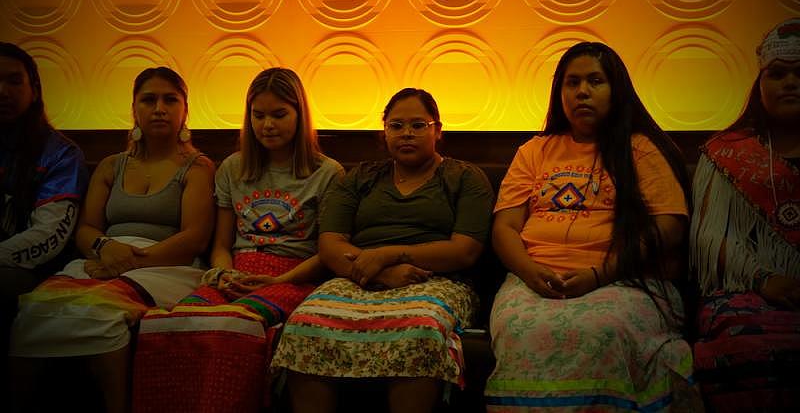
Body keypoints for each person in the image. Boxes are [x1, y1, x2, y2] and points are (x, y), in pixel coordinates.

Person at [485, 41, 701, 411]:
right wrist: (530, 272)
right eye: (572, 83)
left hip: (623, 278)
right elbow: (505, 227)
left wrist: (599, 275)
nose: (582, 91)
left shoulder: (642, 150)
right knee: (523, 329)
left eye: (595, 81)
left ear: (616, 90)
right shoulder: (534, 151)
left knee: (599, 329)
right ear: (560, 92)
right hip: (536, 279)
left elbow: (669, 227)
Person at [131, 68, 344, 413]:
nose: (267, 125)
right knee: (172, 321)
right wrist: (223, 271)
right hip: (237, 271)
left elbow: (326, 252)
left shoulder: (326, 172)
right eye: (258, 116)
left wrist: (278, 280)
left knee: (235, 324)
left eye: (279, 115)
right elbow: (221, 244)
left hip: (294, 274)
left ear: (299, 115)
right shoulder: (233, 167)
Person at [271, 87, 494, 413]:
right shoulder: (361, 177)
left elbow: (464, 251)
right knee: (306, 322)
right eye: (396, 125)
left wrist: (391, 254)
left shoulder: (463, 177)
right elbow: (331, 245)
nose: (407, 133)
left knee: (419, 328)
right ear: (384, 131)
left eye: (419, 125)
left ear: (438, 131)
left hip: (439, 280)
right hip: (358, 277)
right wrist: (381, 271)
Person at [9, 66, 216, 413]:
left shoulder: (197, 167)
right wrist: (108, 249)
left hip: (169, 265)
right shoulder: (111, 166)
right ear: (135, 109)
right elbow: (86, 229)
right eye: (149, 100)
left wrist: (128, 262)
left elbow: (193, 239)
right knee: (34, 310)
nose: (160, 108)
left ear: (185, 110)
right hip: (105, 258)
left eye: (170, 100)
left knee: (102, 313)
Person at [690, 18, 800, 410]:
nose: (790, 82)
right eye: (778, 74)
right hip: (748, 290)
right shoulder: (726, 154)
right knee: (744, 341)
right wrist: (763, 279)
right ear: (760, 85)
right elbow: (710, 238)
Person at [0, 42, 88, 388]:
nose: (2, 92)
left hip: (32, 270)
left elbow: (49, 236)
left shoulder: (60, 154)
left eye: (13, 81)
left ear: (34, 90)